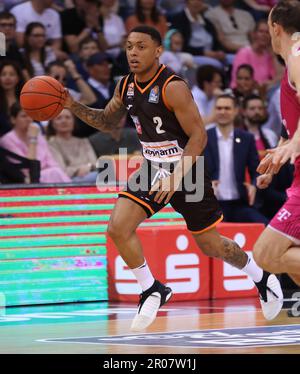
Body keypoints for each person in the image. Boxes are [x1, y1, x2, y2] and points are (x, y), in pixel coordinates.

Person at [64, 25, 283, 331]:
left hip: (188, 170)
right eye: (129, 47)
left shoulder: (173, 86)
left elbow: (198, 138)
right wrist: (70, 104)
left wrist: (176, 175)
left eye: (141, 47)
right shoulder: (125, 85)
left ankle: (259, 275)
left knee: (210, 245)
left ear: (157, 50)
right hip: (153, 167)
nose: (133, 53)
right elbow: (106, 121)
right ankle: (152, 287)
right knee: (117, 228)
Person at [253, 1, 300, 286]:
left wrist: (295, 142)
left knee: (266, 254)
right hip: (297, 175)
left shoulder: (296, 55)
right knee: (294, 267)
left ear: (275, 27)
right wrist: (280, 153)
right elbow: (290, 126)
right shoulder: (290, 62)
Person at [204, 94, 269, 225]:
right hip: (213, 205)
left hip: (240, 203)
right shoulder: (203, 137)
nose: (222, 112)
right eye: (219, 108)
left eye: (227, 108)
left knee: (264, 226)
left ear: (235, 111)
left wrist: (254, 185)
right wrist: (206, 186)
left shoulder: (246, 138)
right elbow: (193, 170)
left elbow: (256, 169)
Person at [47, 108, 98, 183]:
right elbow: (61, 170)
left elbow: (95, 163)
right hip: (68, 180)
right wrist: (78, 170)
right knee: (102, 177)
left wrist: (89, 166)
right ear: (52, 124)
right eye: (59, 118)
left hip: (91, 174)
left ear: (74, 121)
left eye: (68, 117)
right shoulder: (51, 144)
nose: (64, 121)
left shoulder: (83, 141)